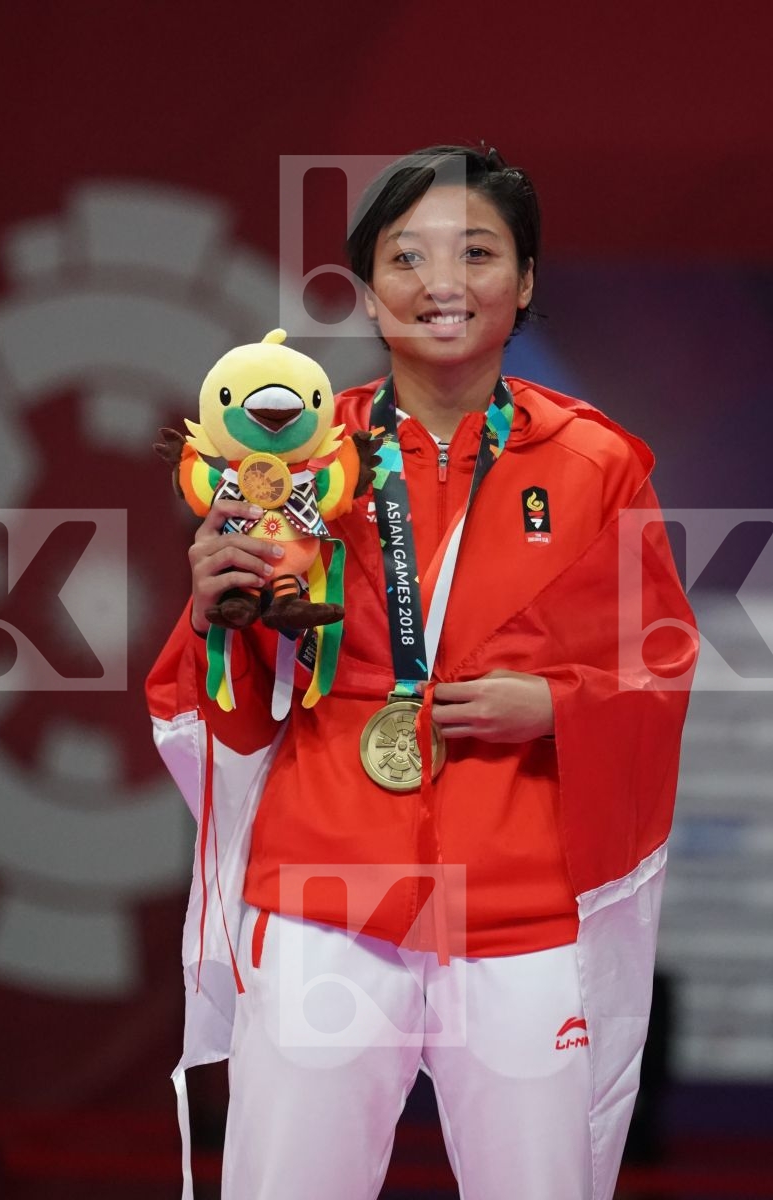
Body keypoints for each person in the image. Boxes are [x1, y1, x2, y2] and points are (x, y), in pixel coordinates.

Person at [147, 145, 698, 1200]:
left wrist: (554, 703)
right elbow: (232, 696)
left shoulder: (595, 465)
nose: (441, 281)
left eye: (476, 252)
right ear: (366, 289)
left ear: (524, 281)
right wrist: (220, 610)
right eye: (406, 255)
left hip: (517, 905)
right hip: (323, 893)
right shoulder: (297, 457)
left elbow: (659, 665)